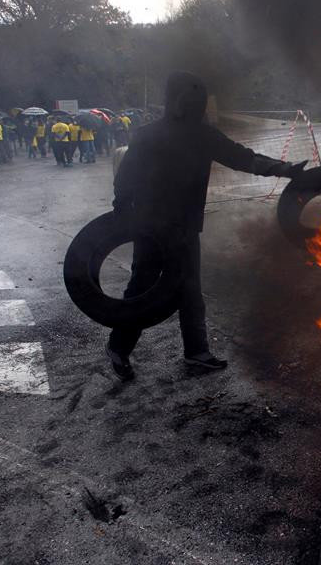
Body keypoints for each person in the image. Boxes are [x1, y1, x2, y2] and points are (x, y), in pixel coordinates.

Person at [106, 72, 308, 381]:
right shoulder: (149, 135)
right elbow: (127, 178)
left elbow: (243, 158)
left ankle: (197, 353)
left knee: (189, 290)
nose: (195, 105)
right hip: (150, 228)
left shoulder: (203, 135)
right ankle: (118, 348)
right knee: (141, 290)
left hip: (185, 229)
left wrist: (284, 169)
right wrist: (121, 211)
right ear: (176, 101)